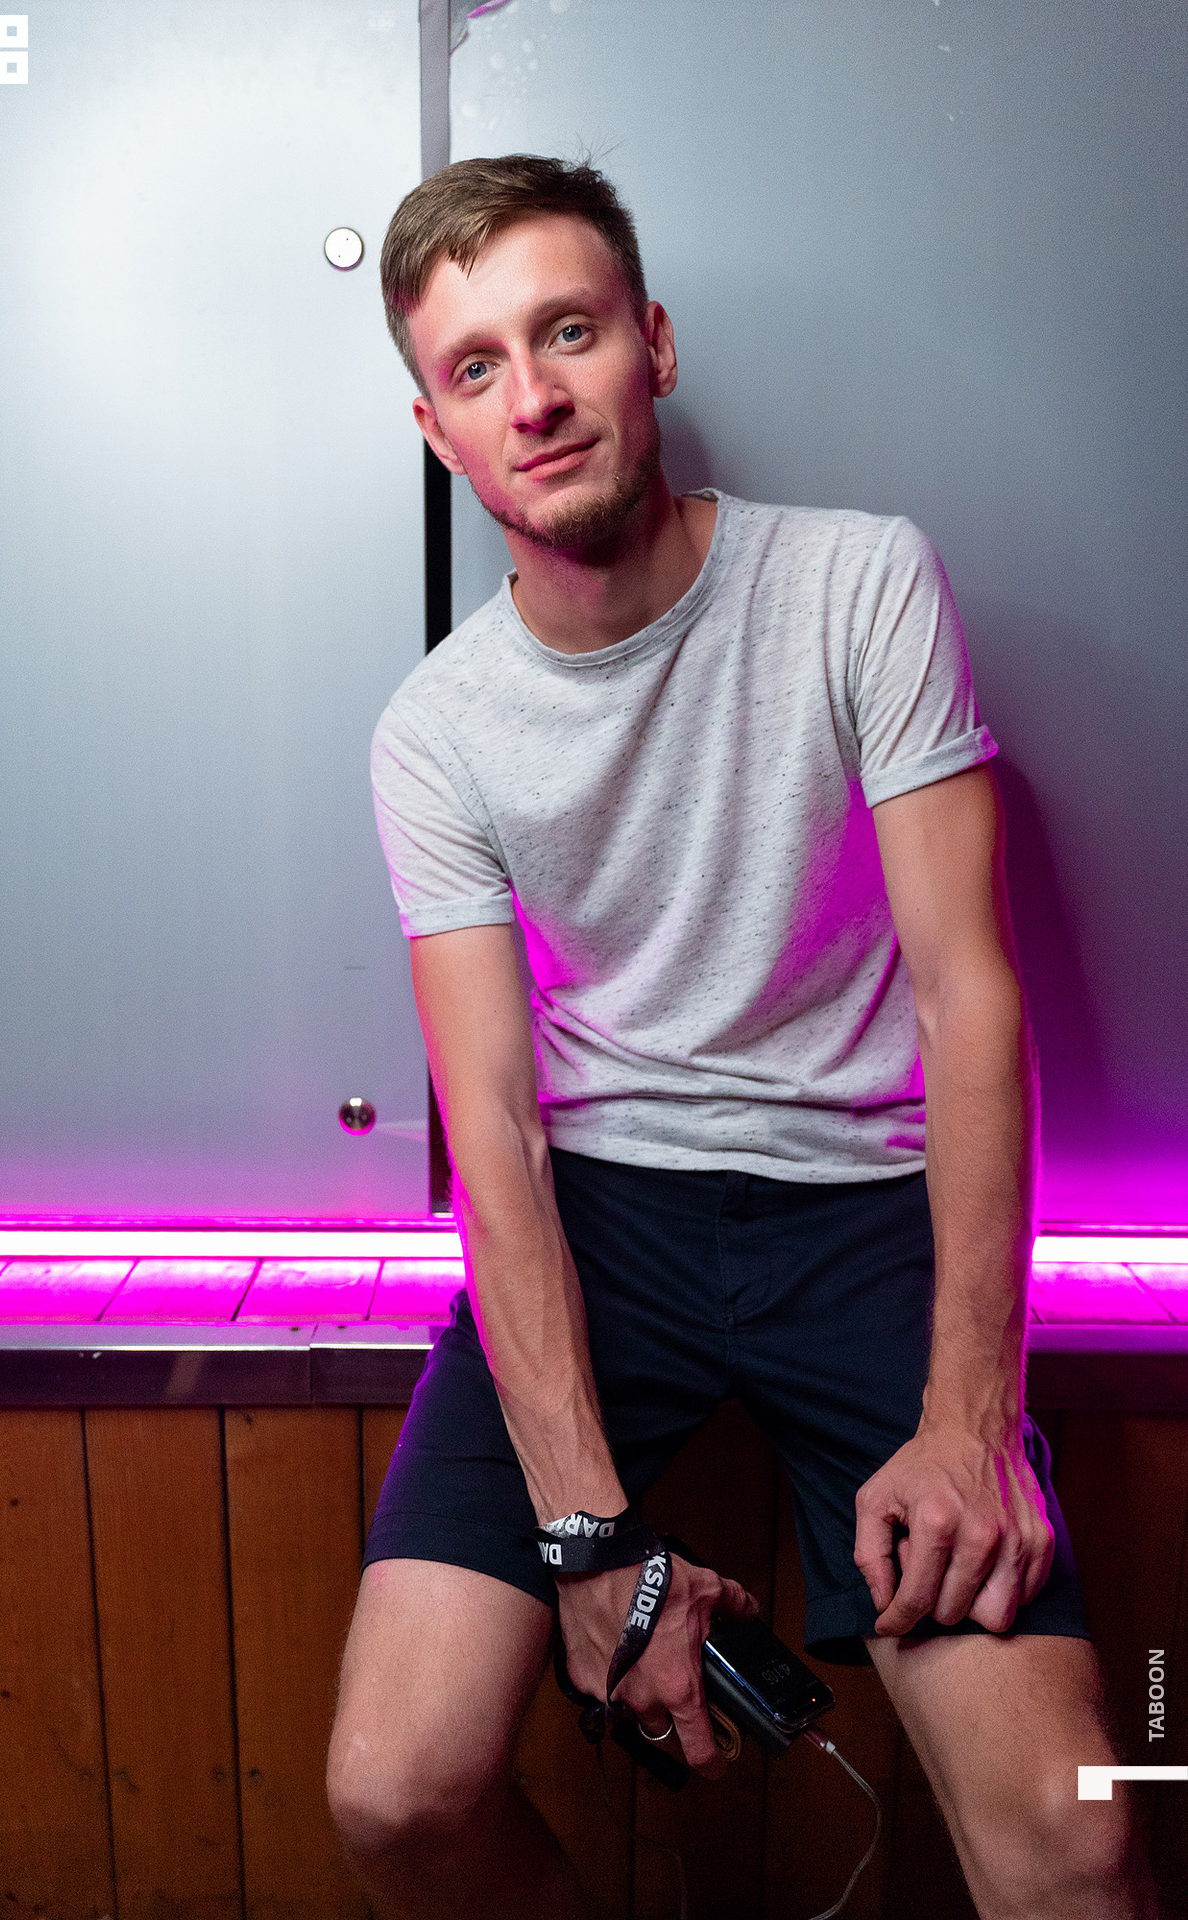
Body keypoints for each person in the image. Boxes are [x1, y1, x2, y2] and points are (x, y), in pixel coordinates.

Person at [326, 154, 1155, 1919]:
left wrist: (972, 1414)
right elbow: (496, 1130)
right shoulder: (435, 733)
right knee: (396, 1793)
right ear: (435, 428)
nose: (533, 395)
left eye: (568, 331)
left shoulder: (859, 580)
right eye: (476, 366)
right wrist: (586, 1541)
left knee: (1081, 1840)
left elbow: (968, 994)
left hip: (865, 1214)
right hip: (603, 1223)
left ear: (654, 343)